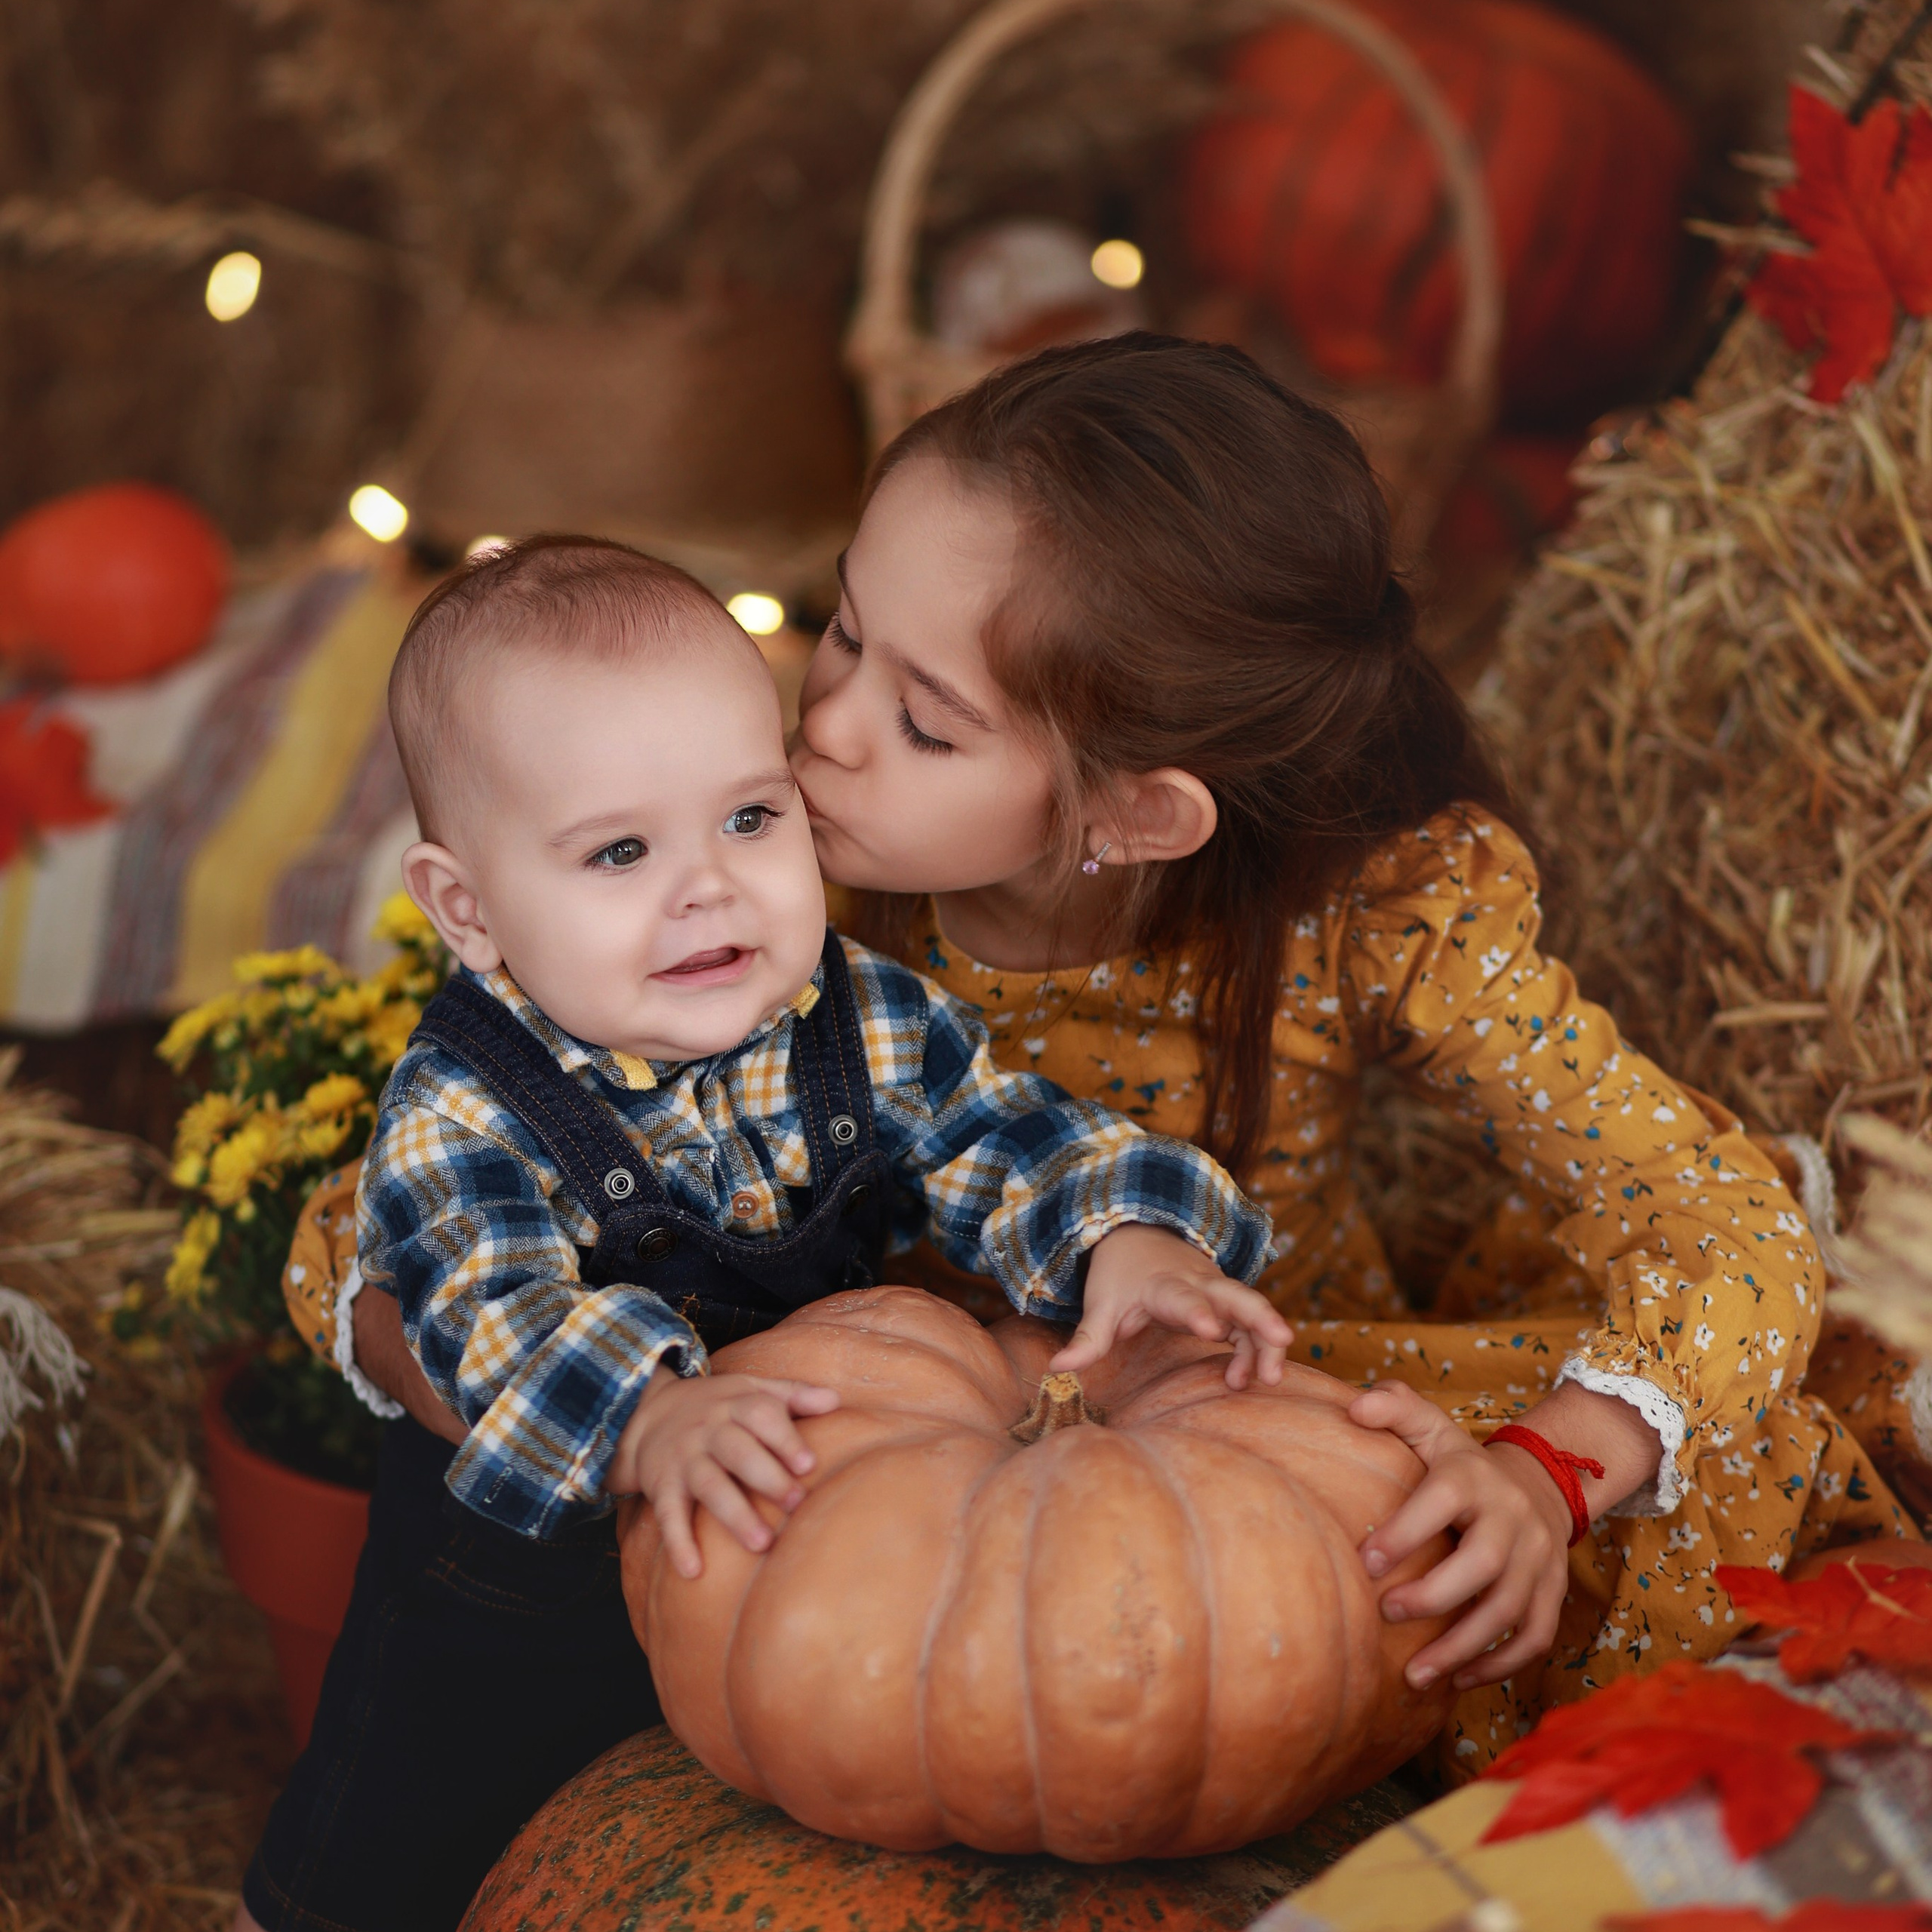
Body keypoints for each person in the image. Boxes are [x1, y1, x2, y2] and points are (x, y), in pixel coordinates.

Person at [317, 332, 1917, 1875]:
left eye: (925, 720)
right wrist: (554, 1398)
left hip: (1251, 1432)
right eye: (844, 631)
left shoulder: (1366, 923)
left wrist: (1550, 1469)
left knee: (1698, 1473)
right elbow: (410, 1214)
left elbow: (1730, 1226)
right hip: (891, 1465)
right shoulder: (745, 898)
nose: (823, 733)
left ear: (1138, 814)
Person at [238, 532, 1284, 1932]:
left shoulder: (859, 1017)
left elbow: (1000, 1132)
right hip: (519, 1601)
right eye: (620, 851)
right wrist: (648, 1415)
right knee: (395, 1851)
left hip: (774, 1562)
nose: (710, 887)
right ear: (468, 910)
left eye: (749, 817)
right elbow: (485, 1309)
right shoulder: (463, 1110)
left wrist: (1130, 1237)